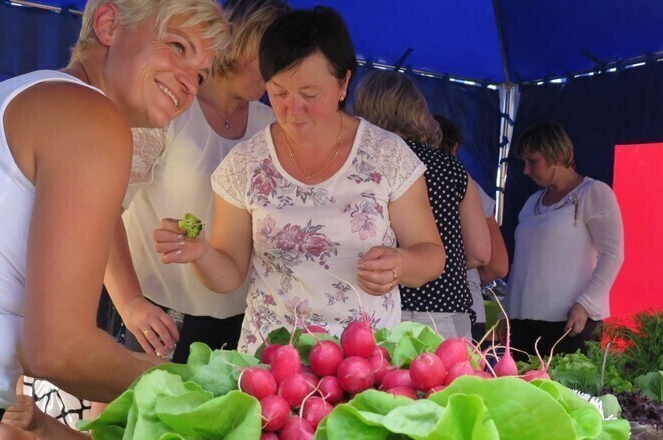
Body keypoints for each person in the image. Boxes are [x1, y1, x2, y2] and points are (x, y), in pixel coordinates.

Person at [0, 1, 228, 440]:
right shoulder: (90, 117)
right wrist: (198, 397)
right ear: (109, 25)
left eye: (203, 71)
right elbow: (58, 350)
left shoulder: (40, 98)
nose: (189, 81)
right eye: (178, 48)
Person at [153, 7, 446, 353]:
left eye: (309, 95)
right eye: (279, 93)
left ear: (343, 83)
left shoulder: (387, 155)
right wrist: (200, 252)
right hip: (273, 360)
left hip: (365, 357)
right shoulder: (246, 164)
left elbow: (431, 256)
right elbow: (229, 273)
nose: (293, 109)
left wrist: (401, 264)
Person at [106, 0, 289, 363]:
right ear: (238, 38)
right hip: (159, 320)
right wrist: (129, 303)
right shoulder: (170, 107)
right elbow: (103, 209)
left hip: (244, 327)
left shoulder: (273, 124)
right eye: (271, 51)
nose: (279, 67)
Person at [354, 71, 490, 339]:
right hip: (444, 312)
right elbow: (480, 253)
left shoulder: (360, 166)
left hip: (376, 311)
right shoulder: (450, 167)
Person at [504, 121, 624, 356]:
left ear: (557, 155)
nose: (526, 170)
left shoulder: (594, 192)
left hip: (570, 324)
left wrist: (586, 303)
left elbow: (613, 254)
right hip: (521, 322)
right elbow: (521, 263)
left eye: (533, 161)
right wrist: (505, 313)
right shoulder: (532, 202)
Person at [434, 114, 509, 342]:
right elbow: (497, 265)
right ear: (456, 147)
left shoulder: (401, 178)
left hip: (409, 308)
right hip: (464, 308)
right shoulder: (467, 184)